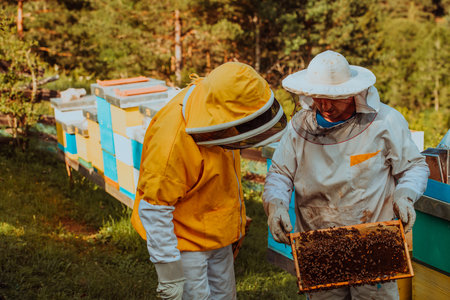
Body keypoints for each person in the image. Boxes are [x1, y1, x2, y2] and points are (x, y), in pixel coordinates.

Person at [263, 50, 430, 299]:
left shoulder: (386, 121)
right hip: (318, 242)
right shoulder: (298, 126)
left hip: (374, 242)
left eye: (334, 98)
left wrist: (405, 194)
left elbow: (414, 167)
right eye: (318, 98)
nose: (325, 105)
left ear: (353, 92)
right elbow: (280, 173)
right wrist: (275, 204)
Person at [131, 62, 287, 299]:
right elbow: (155, 209)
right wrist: (170, 274)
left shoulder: (217, 101)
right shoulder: (172, 141)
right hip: (184, 242)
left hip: (218, 234)